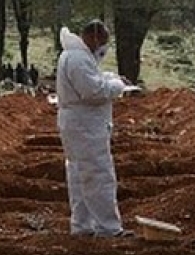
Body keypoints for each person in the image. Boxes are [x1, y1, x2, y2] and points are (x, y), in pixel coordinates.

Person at [56, 20, 133, 238]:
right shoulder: (78, 59)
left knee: (80, 175)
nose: (103, 48)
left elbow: (94, 78)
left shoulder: (73, 56)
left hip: (77, 124)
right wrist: (118, 87)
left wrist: (112, 77)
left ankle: (82, 225)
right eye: (104, 43)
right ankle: (108, 228)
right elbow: (93, 91)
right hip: (85, 126)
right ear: (94, 37)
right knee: (98, 174)